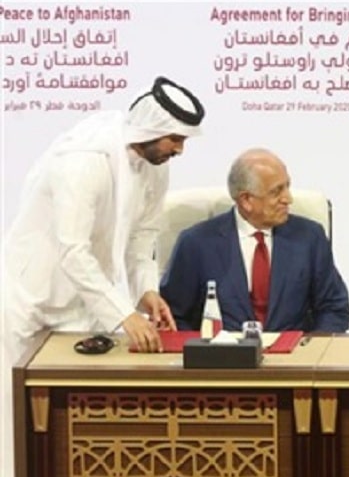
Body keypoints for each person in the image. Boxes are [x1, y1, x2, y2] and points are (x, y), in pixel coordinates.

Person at [2, 76, 205, 355]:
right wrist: (124, 314)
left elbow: (142, 236)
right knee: (21, 383)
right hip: (33, 301)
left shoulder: (155, 166)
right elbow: (73, 251)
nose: (180, 150)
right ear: (150, 129)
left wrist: (146, 291)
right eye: (176, 139)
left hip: (87, 303)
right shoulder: (83, 161)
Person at [160, 148, 349, 333]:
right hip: (222, 353)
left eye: (287, 186)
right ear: (246, 200)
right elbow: (174, 316)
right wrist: (204, 348)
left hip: (294, 353)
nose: (288, 199)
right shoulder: (196, 244)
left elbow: (335, 308)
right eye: (276, 191)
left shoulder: (309, 237)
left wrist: (311, 348)